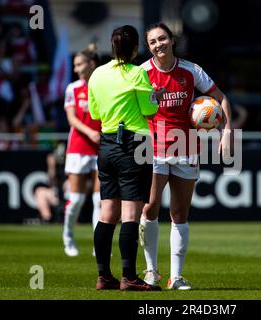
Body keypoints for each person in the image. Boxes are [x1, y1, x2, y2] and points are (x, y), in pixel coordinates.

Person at [139, 23, 232, 290]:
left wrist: (226, 132)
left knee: (180, 214)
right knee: (150, 207)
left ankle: (176, 277)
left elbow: (221, 98)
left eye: (163, 38)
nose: (159, 44)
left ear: (172, 40)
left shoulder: (191, 71)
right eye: (153, 41)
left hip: (187, 148)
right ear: (149, 47)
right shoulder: (143, 73)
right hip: (152, 149)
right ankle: (151, 272)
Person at [88, 25, 160, 291]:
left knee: (108, 213)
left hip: (106, 144)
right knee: (131, 213)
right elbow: (149, 110)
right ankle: (129, 276)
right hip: (134, 143)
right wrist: (154, 96)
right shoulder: (137, 73)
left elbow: (95, 113)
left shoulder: (97, 74)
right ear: (135, 48)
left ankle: (104, 276)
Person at [62, 44, 102, 257]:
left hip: (101, 147)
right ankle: (68, 237)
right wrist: (90, 132)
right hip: (78, 146)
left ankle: (99, 245)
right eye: (75, 65)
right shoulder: (73, 88)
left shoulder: (103, 87)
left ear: (92, 64)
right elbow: (71, 119)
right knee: (76, 199)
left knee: (99, 200)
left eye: (80, 64)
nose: (76, 69)